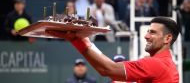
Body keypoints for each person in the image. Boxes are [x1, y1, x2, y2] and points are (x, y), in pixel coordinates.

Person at [46, 17, 179, 83]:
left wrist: (76, 39)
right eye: (148, 31)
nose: (146, 35)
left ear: (167, 38)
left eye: (153, 33)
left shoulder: (155, 65)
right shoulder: (168, 66)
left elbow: (107, 69)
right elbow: (108, 66)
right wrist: (84, 40)